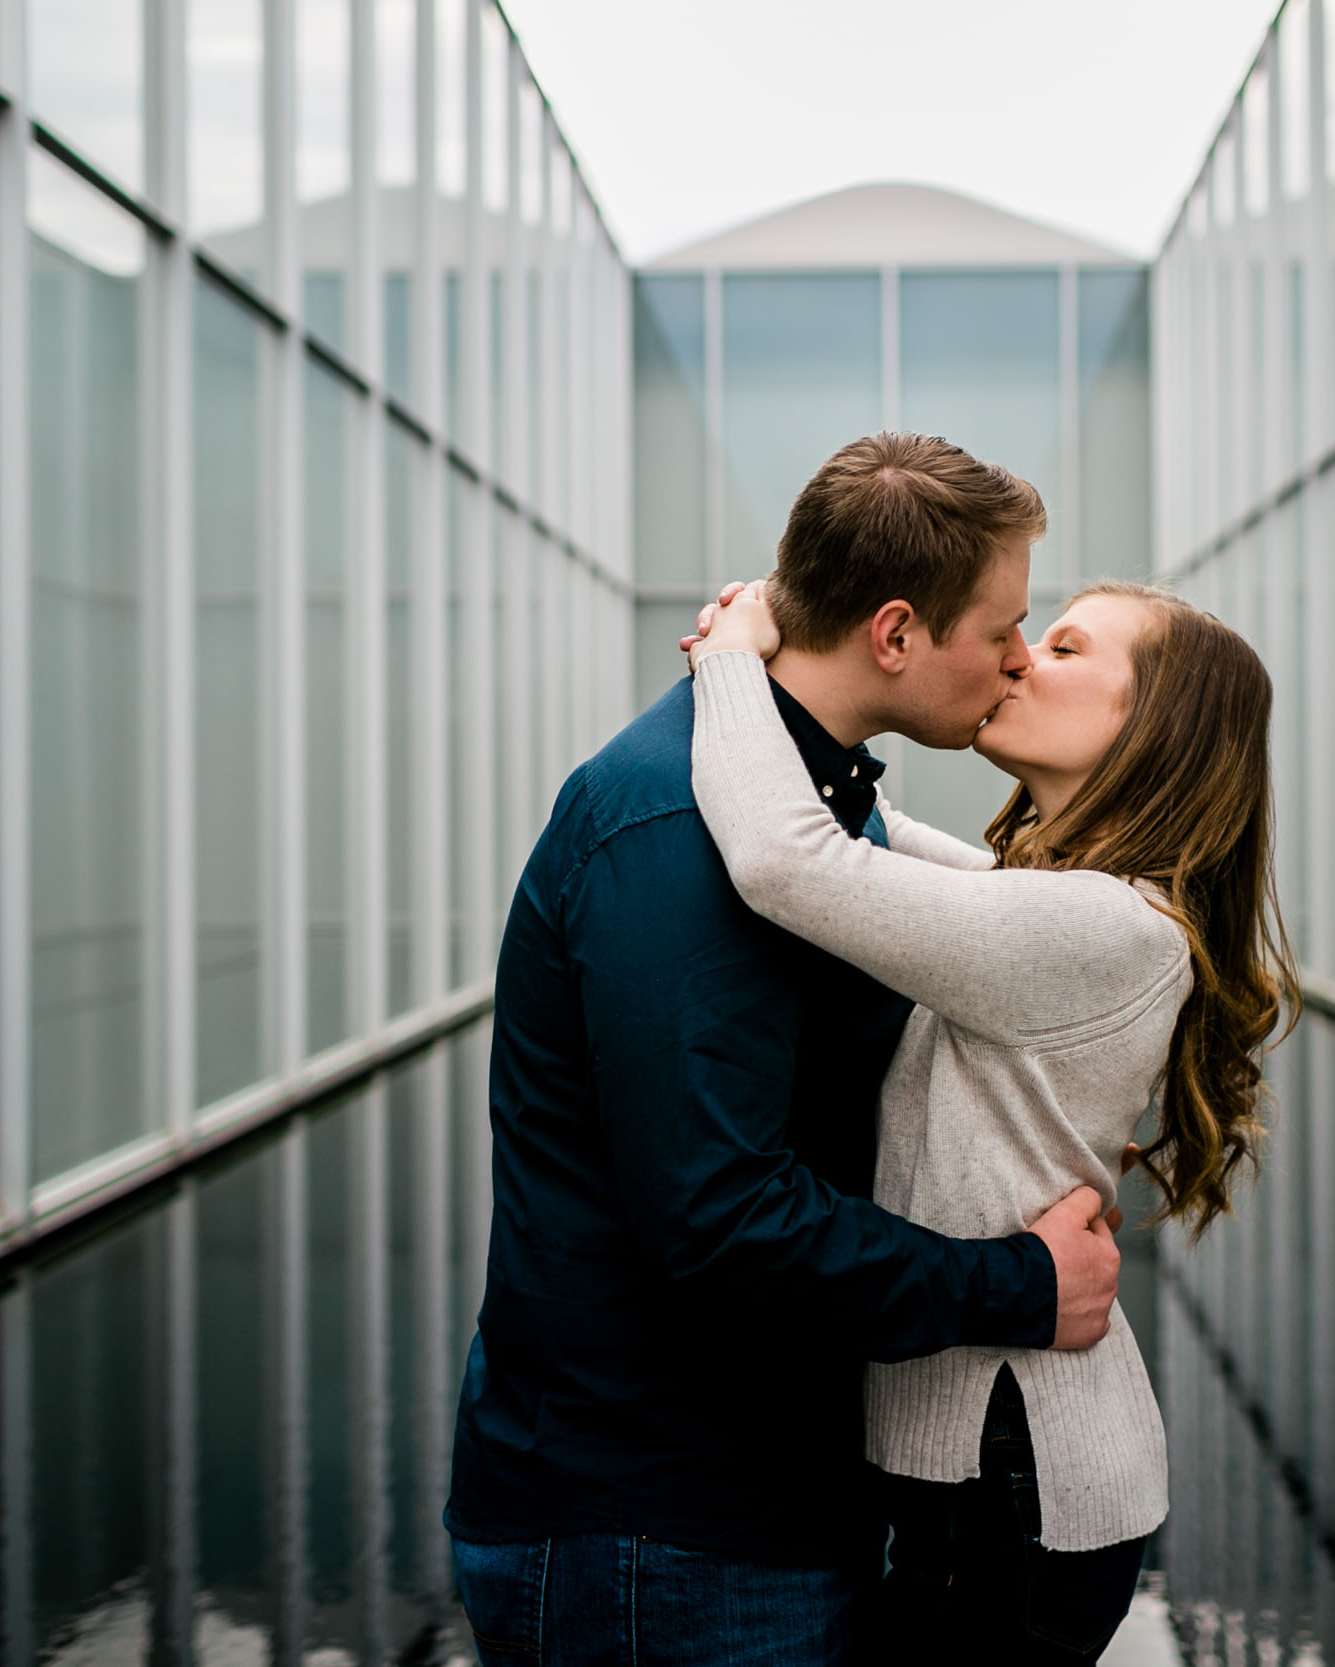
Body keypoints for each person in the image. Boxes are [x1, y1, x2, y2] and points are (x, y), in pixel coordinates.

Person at [444, 432, 1125, 1667]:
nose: (1020, 658)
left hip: (744, 1510)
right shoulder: (672, 830)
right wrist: (1019, 1284)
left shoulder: (818, 794)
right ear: (897, 634)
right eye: (1004, 627)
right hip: (655, 1537)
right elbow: (717, 1214)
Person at [682, 565, 1298, 1664]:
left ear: (1152, 727)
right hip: (994, 1461)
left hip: (1015, 1468)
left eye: (1064, 649)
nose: (1018, 657)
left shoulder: (1102, 929)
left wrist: (731, 660)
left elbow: (788, 859)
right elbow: (872, 833)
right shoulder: (1060, 899)